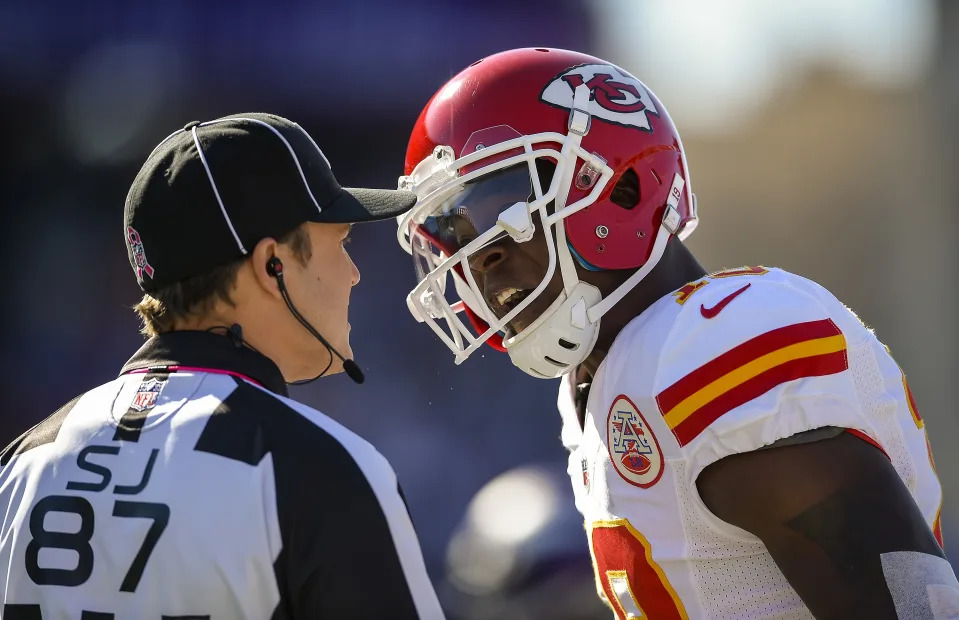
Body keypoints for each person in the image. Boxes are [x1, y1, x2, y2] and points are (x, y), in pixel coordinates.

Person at [395, 48, 957, 619]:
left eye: (496, 216)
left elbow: (910, 610)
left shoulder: (717, 342)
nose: (477, 262)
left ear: (621, 188)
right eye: (453, 238)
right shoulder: (605, 379)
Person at [0, 113, 444, 619]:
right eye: (341, 242)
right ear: (270, 263)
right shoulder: (321, 472)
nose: (355, 274)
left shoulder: (23, 463)